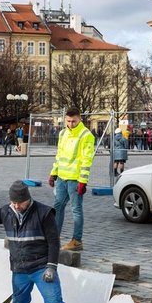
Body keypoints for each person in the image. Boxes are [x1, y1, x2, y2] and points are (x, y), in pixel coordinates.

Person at [48, 107, 95, 251]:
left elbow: (86, 160)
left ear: (80, 118)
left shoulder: (86, 135)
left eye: (73, 121)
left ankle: (77, 240)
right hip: (62, 177)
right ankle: (54, 237)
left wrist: (83, 181)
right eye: (68, 121)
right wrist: (53, 173)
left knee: (76, 209)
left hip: (75, 179)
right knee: (58, 207)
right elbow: (59, 155)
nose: (71, 124)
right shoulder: (63, 133)